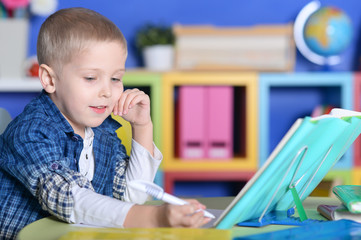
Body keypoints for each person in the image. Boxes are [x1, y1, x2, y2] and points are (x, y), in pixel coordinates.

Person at [0, 7, 210, 239]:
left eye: (116, 78)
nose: (107, 92)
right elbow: (69, 197)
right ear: (49, 79)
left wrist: (141, 127)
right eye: (91, 78)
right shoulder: (30, 131)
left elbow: (132, 195)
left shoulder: (103, 131)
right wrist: (155, 218)